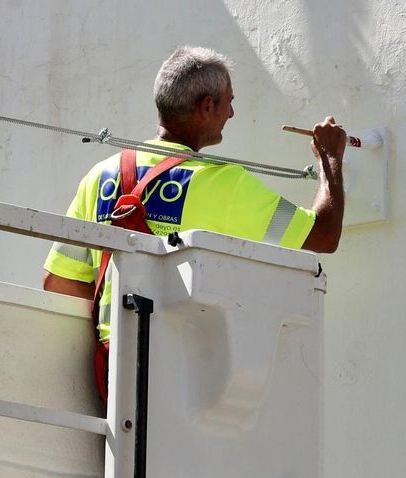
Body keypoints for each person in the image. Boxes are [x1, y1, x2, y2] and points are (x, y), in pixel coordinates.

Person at [42, 46, 347, 392]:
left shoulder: (99, 177)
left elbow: (61, 282)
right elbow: (324, 235)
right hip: (183, 375)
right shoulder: (224, 184)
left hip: (110, 375)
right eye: (229, 102)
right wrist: (329, 160)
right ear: (206, 106)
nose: (232, 113)